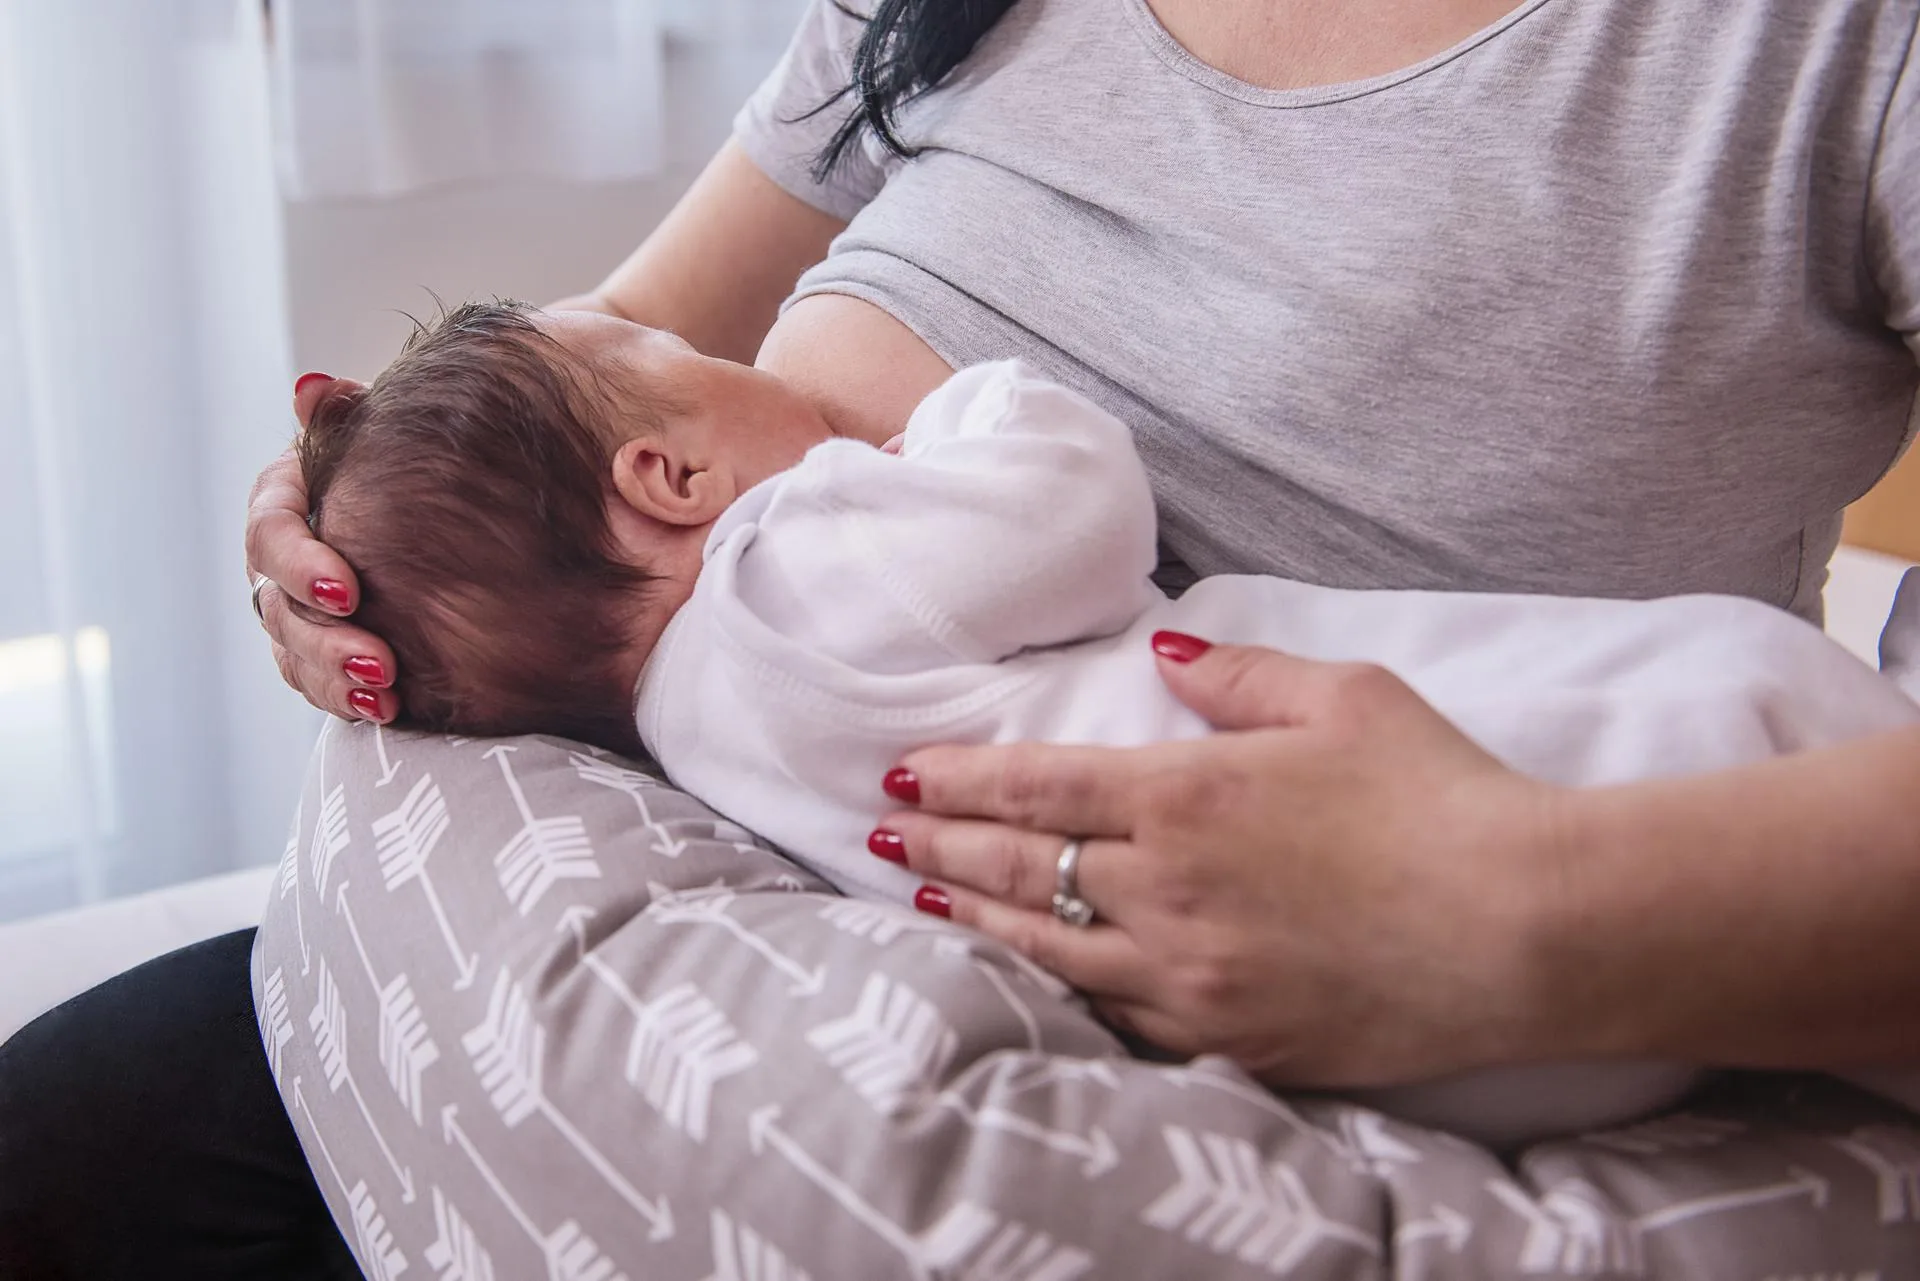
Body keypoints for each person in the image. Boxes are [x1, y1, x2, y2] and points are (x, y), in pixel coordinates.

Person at [4, 0, 1917, 1274]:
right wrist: (369, 521)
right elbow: (614, 344)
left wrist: (1535, 910)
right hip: (687, 937)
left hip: (1295, 959)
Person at [303, 295, 1917, 1140]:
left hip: (1424, 1008)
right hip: (1383, 849)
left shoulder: (692, 722)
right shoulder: (791, 561)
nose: (733, 350)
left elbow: (537, 427)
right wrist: (969, 405)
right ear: (668, 482)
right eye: (693, 358)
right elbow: (1075, 511)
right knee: (1729, 679)